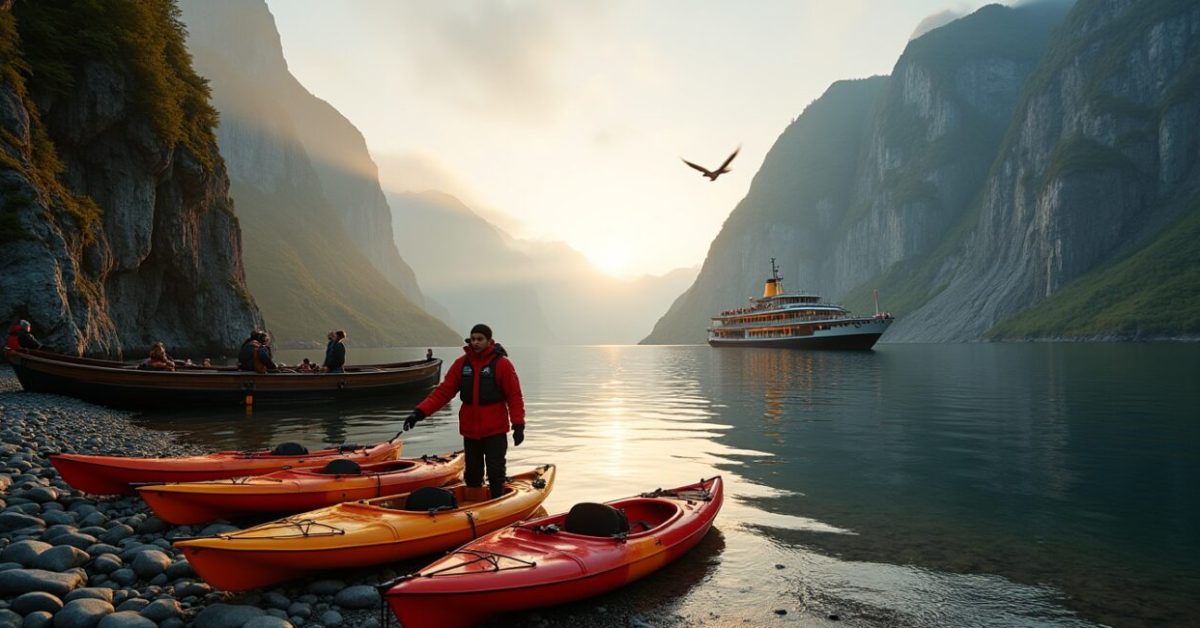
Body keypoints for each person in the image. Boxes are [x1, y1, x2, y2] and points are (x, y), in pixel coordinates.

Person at [404, 323, 525, 500]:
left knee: (495, 472)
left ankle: (497, 502)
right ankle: (474, 506)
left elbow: (514, 396)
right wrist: (419, 413)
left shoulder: (502, 365)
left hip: (495, 431)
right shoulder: (461, 364)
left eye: (480, 339)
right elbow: (443, 392)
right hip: (470, 432)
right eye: (473, 339)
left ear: (489, 341)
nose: (475, 342)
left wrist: (518, 425)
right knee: (473, 475)